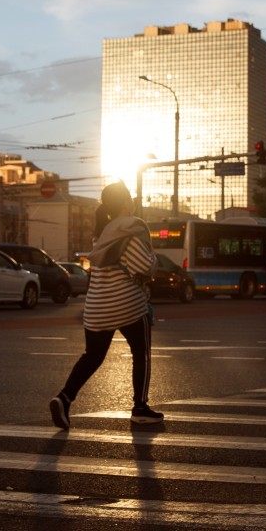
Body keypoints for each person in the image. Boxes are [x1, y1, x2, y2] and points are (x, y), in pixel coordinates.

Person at [48, 180, 161, 429]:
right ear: (124, 203)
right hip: (127, 305)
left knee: (93, 356)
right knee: (140, 353)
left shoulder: (103, 233)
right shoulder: (130, 231)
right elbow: (144, 266)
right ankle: (140, 407)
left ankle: (64, 398)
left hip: (97, 307)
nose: (132, 202)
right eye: (129, 198)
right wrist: (152, 258)